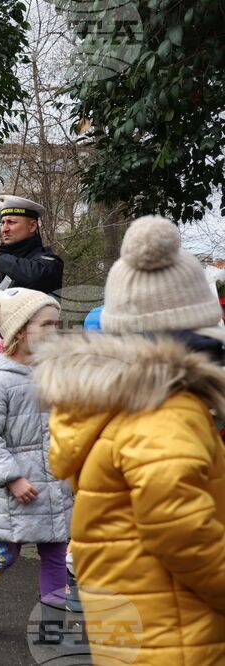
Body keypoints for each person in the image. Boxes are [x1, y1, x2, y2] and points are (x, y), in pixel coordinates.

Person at [35, 216, 225, 664]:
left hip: (134, 619)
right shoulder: (166, 410)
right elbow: (178, 525)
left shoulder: (110, 402)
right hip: (178, 631)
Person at [0, 287, 71, 641]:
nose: (54, 332)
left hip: (53, 482)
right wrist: (12, 477)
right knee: (6, 553)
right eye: (46, 325)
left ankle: (53, 622)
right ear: (19, 331)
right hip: (16, 486)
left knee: (56, 552)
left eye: (57, 324)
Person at [0, 195, 63, 350]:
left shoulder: (48, 261)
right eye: (2, 222)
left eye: (12, 222)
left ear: (32, 226)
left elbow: (34, 276)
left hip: (32, 353)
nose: (4, 229)